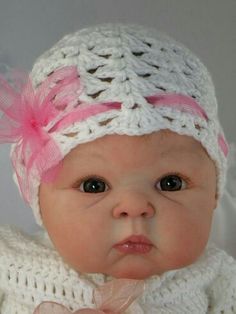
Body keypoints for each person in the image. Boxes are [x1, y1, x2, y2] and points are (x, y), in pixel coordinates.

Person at [0, 23, 235, 314]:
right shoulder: (10, 265)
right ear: (38, 200)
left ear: (213, 193)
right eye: (93, 186)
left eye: (170, 183)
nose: (134, 207)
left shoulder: (219, 280)